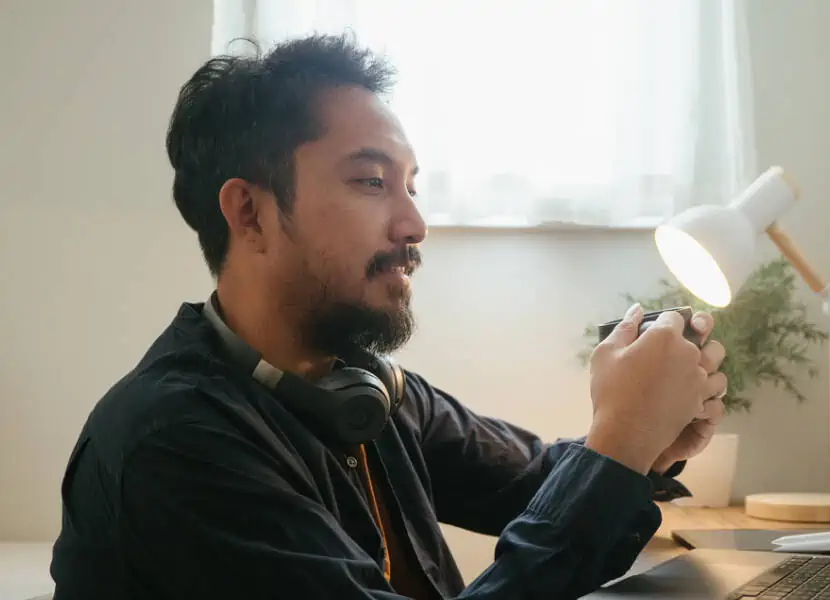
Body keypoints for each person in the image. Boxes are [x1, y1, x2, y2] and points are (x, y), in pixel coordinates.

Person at [49, 34, 728, 600]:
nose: (414, 223)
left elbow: (537, 480)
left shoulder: (364, 390)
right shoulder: (174, 443)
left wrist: (650, 441)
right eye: (371, 182)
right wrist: (621, 440)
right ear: (249, 212)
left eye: (411, 185)